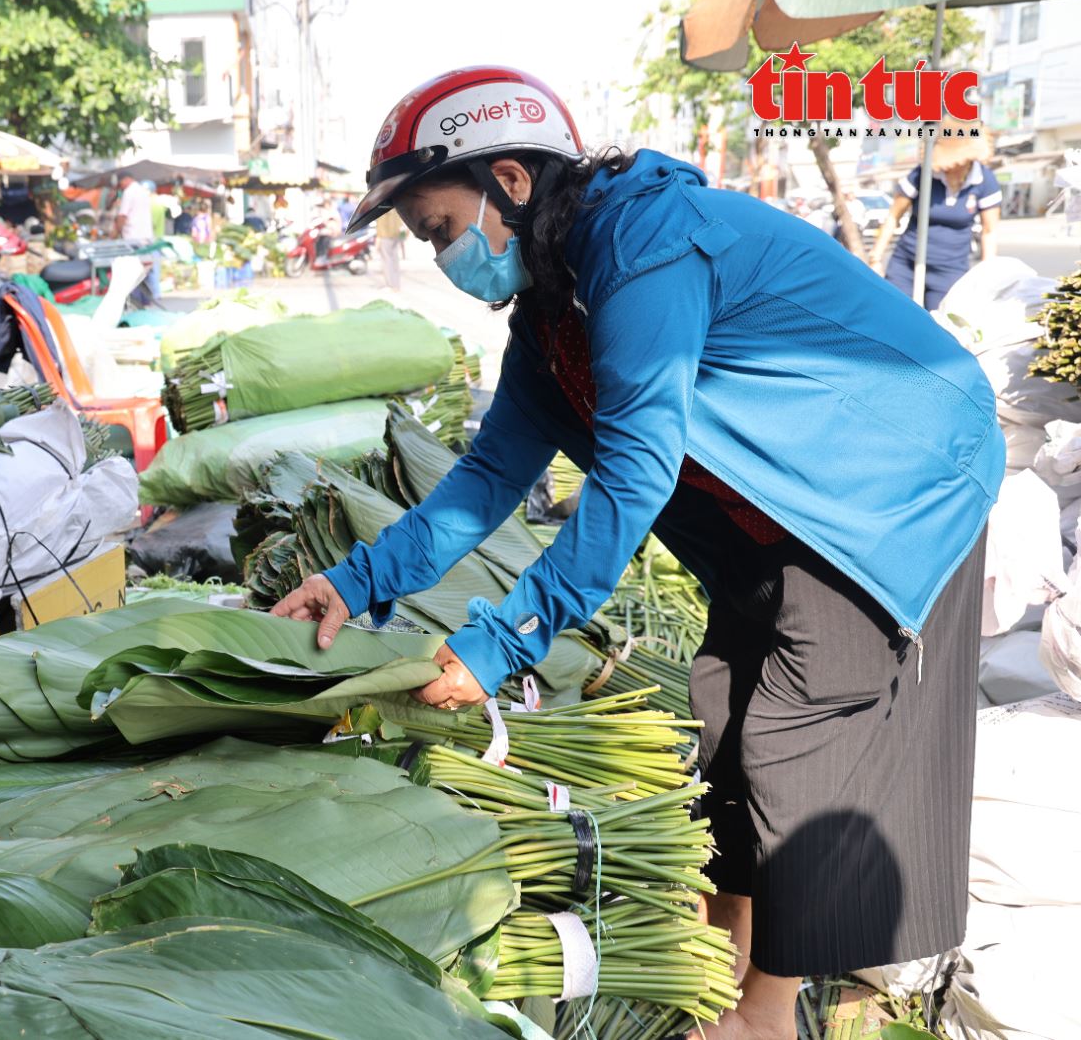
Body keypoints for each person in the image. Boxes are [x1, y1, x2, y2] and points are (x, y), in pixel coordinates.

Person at [270, 66, 998, 1040]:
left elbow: (632, 471)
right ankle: (732, 964)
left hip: (884, 482)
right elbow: (486, 480)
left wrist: (501, 642)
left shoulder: (644, 242)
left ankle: (766, 1018)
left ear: (511, 183)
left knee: (790, 724)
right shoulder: (548, 313)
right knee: (721, 707)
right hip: (774, 516)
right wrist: (349, 584)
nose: (443, 256)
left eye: (440, 228)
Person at [870, 135, 1001, 310]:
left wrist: (986, 276)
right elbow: (893, 217)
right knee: (895, 317)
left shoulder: (985, 180)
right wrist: (876, 258)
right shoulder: (921, 174)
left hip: (951, 270)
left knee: (942, 327)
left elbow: (989, 231)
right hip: (906, 265)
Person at [374, 208, 405, 291]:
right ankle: (396, 285)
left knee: (387, 260)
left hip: (385, 235)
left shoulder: (381, 206)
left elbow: (380, 223)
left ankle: (390, 285)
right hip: (396, 234)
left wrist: (378, 237)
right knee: (394, 260)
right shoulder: (394, 204)